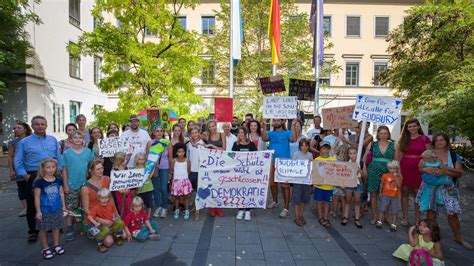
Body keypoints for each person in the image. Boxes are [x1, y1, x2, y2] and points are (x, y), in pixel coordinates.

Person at [14, 115, 62, 244]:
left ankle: (51, 225)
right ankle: (32, 231)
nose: (40, 126)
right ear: (32, 126)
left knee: (51, 201)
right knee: (32, 204)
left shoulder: (52, 140)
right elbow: (17, 161)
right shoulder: (24, 142)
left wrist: (59, 172)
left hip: (52, 173)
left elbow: (58, 157)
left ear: (46, 125)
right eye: (37, 124)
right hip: (34, 175)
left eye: (43, 124)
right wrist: (25, 176)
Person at [419, 133, 471, 249]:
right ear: (433, 142)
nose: (439, 142)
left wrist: (445, 170)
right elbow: (420, 168)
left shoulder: (453, 155)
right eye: (437, 140)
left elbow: (459, 173)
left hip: (449, 187)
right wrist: (424, 169)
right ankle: (430, 238)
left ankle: (458, 236)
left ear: (447, 141)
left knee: (452, 213)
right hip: (431, 188)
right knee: (431, 212)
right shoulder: (429, 154)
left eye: (442, 140)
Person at [396, 118, 431, 226]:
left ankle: (418, 218)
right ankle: (405, 218)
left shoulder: (425, 139)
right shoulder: (403, 140)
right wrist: (398, 171)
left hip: (419, 169)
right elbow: (399, 157)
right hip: (405, 167)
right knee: (404, 192)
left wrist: (427, 168)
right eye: (410, 126)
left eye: (414, 126)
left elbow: (429, 155)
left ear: (418, 126)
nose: (412, 128)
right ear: (406, 128)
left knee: (418, 194)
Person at [61, 131, 94, 241]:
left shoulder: (88, 151)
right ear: (71, 140)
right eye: (75, 137)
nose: (78, 139)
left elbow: (92, 167)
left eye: (80, 137)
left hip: (86, 184)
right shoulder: (66, 153)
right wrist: (65, 184)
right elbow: (64, 170)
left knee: (87, 207)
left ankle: (88, 226)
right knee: (71, 207)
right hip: (72, 185)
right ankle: (69, 228)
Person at [261, 119, 297, 218]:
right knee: (272, 183)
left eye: (278, 120)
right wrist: (264, 126)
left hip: (284, 162)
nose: (276, 122)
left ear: (283, 121)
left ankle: (286, 208)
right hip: (272, 161)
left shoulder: (287, 132)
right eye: (274, 120)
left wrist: (293, 125)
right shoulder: (270, 133)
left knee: (285, 185)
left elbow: (294, 139)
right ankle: (275, 201)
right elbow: (264, 138)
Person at [33, 158, 66, 259]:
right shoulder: (39, 182)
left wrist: (63, 206)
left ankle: (56, 244)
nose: (51, 169)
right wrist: (38, 211)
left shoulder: (58, 180)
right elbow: (37, 197)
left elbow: (61, 193)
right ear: (43, 169)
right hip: (45, 210)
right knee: (43, 229)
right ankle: (45, 248)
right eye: (48, 167)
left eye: (53, 167)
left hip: (57, 208)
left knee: (56, 227)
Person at [364, 126, 395, 225]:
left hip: (388, 171)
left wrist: (396, 174)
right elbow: (364, 158)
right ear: (378, 134)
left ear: (388, 134)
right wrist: (364, 168)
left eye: (385, 133)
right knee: (373, 193)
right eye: (381, 133)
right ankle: (374, 215)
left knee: (387, 194)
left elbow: (396, 160)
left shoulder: (394, 145)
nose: (383, 135)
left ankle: (386, 216)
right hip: (374, 170)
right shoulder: (372, 144)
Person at [87, 188, 127, 253]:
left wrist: (114, 217)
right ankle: (100, 244)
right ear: (98, 198)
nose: (105, 200)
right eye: (102, 198)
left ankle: (118, 236)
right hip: (101, 224)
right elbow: (89, 216)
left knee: (120, 222)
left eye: (106, 198)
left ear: (109, 197)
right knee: (106, 230)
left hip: (110, 222)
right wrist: (95, 223)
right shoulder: (96, 207)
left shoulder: (110, 204)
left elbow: (114, 212)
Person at [232, 126, 257, 221]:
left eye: (242, 132)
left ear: (246, 133)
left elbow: (256, 157)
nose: (240, 134)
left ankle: (248, 210)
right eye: (239, 133)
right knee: (240, 191)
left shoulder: (251, 144)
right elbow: (232, 156)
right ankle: (241, 209)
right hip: (239, 172)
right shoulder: (235, 144)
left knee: (248, 191)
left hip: (249, 172)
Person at [8, 121, 32, 217]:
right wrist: (11, 170)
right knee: (21, 188)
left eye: (19, 128)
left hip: (30, 167)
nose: (16, 130)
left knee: (32, 188)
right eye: (15, 128)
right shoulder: (13, 142)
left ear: (25, 129)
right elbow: (10, 157)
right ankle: (26, 208)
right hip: (18, 168)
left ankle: (34, 207)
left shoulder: (31, 139)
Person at [203, 121, 226, 217]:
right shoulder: (206, 136)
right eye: (210, 127)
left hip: (220, 163)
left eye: (213, 126)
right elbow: (194, 136)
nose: (212, 128)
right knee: (211, 186)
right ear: (208, 128)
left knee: (219, 186)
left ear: (216, 126)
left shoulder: (222, 134)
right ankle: (212, 207)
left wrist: (212, 146)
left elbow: (224, 149)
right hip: (210, 164)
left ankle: (218, 207)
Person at [148, 126, 171, 218]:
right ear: (154, 132)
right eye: (157, 131)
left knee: (164, 188)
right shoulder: (150, 143)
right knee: (155, 188)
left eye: (161, 131)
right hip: (154, 168)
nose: (159, 133)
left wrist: (170, 171)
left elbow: (170, 157)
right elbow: (147, 157)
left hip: (164, 167)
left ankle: (164, 207)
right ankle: (158, 207)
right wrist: (149, 170)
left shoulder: (167, 143)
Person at [313, 141, 336, 228]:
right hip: (319, 186)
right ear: (320, 149)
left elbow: (336, 173)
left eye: (327, 148)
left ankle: (326, 217)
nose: (325, 150)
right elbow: (314, 173)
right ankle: (320, 217)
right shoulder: (316, 160)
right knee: (319, 202)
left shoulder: (334, 160)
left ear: (329, 150)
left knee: (327, 203)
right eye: (323, 148)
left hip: (329, 186)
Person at [291, 139, 313, 226]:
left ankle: (301, 215)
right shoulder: (296, 154)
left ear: (308, 147)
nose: (304, 147)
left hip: (306, 181)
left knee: (303, 199)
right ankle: (297, 216)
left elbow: (311, 167)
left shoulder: (310, 155)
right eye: (303, 145)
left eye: (306, 145)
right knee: (297, 199)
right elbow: (292, 166)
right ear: (300, 146)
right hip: (297, 181)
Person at [377, 160, 402, 231]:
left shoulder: (399, 176)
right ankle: (379, 221)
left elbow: (399, 185)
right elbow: (381, 184)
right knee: (382, 208)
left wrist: (396, 177)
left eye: (394, 168)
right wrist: (380, 192)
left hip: (395, 196)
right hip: (385, 194)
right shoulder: (385, 175)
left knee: (395, 210)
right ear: (388, 168)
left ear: (397, 169)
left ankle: (394, 224)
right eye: (390, 168)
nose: (392, 170)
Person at [170, 143, 192, 221]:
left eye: (182, 151)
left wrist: (184, 178)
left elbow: (188, 171)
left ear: (184, 152)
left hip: (185, 181)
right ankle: (176, 210)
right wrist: (174, 179)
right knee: (177, 197)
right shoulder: (174, 161)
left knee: (186, 197)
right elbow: (171, 171)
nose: (181, 153)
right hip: (176, 181)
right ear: (176, 152)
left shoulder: (187, 161)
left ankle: (186, 210)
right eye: (179, 151)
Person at [342, 147, 363, 228]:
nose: (352, 155)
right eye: (350, 153)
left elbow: (364, 175)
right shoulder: (346, 163)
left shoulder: (360, 162)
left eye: (354, 153)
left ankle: (357, 219)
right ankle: (345, 217)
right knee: (347, 200)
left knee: (357, 201)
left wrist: (359, 170)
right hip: (349, 183)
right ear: (348, 154)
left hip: (358, 184)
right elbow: (343, 174)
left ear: (357, 154)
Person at [111, 152, 133, 217]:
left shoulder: (126, 168)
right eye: (125, 159)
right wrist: (121, 191)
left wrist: (128, 189)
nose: (127, 160)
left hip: (127, 192)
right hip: (119, 193)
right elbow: (114, 184)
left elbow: (130, 179)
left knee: (128, 206)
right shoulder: (114, 170)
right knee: (121, 207)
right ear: (120, 161)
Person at [187, 126, 206, 193]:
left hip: (199, 171)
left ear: (199, 133)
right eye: (192, 133)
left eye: (196, 132)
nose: (194, 134)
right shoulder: (189, 144)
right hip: (190, 171)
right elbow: (187, 157)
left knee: (199, 190)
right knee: (189, 190)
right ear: (190, 134)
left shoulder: (203, 143)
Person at [134, 153, 154, 218]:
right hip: (140, 190)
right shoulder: (134, 169)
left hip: (148, 188)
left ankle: (148, 217)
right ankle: (142, 216)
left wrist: (152, 169)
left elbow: (150, 175)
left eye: (143, 159)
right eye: (140, 159)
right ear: (136, 160)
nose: (141, 161)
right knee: (141, 204)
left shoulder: (146, 168)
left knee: (149, 203)